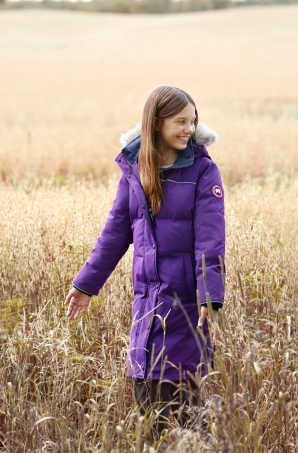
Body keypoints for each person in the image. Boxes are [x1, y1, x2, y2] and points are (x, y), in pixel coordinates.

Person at [64, 86, 225, 439]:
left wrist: (209, 294)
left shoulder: (203, 171)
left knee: (186, 408)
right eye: (180, 121)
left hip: (185, 305)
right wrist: (85, 285)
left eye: (192, 121)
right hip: (147, 304)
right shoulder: (135, 170)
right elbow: (114, 233)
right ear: (156, 122)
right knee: (146, 406)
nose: (189, 129)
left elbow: (210, 240)